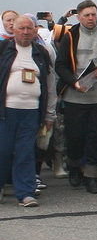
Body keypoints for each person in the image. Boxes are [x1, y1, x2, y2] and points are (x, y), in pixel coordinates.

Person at [55, 0, 97, 194]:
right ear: (79, 17)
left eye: (93, 14)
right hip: (75, 96)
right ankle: (75, 166)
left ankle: (92, 176)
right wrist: (72, 82)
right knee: (75, 136)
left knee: (96, 137)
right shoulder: (70, 35)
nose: (91, 18)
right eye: (87, 15)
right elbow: (60, 65)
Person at [0, 16, 56, 207]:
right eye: (21, 28)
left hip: (31, 112)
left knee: (25, 152)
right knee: (3, 150)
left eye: (29, 29)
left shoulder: (42, 52)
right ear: (13, 30)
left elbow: (50, 84)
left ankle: (25, 193)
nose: (25, 32)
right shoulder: (3, 50)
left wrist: (50, 114)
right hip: (6, 111)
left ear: (35, 31)